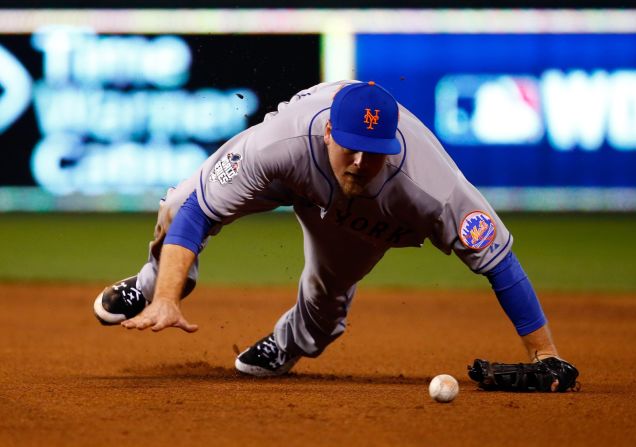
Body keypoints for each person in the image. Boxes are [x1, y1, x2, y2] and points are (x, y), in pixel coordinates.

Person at [93, 80, 576, 387]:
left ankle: (290, 342)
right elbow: (201, 210)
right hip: (292, 174)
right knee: (180, 203)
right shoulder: (280, 143)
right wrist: (170, 299)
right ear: (328, 133)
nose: (362, 161)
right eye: (351, 147)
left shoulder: (432, 187)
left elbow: (499, 262)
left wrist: (545, 354)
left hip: (364, 217)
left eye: (375, 151)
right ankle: (155, 283)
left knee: (325, 307)